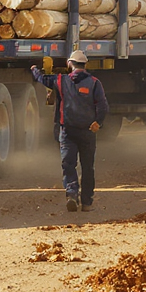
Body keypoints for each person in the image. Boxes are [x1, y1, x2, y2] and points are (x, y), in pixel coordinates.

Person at [31, 50, 108, 212]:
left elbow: (42, 79)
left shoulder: (60, 80)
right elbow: (103, 106)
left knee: (68, 164)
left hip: (67, 131)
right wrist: (98, 123)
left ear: (69, 64)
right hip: (87, 131)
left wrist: (34, 69)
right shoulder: (94, 82)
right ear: (85, 65)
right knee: (88, 167)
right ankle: (87, 203)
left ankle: (72, 194)